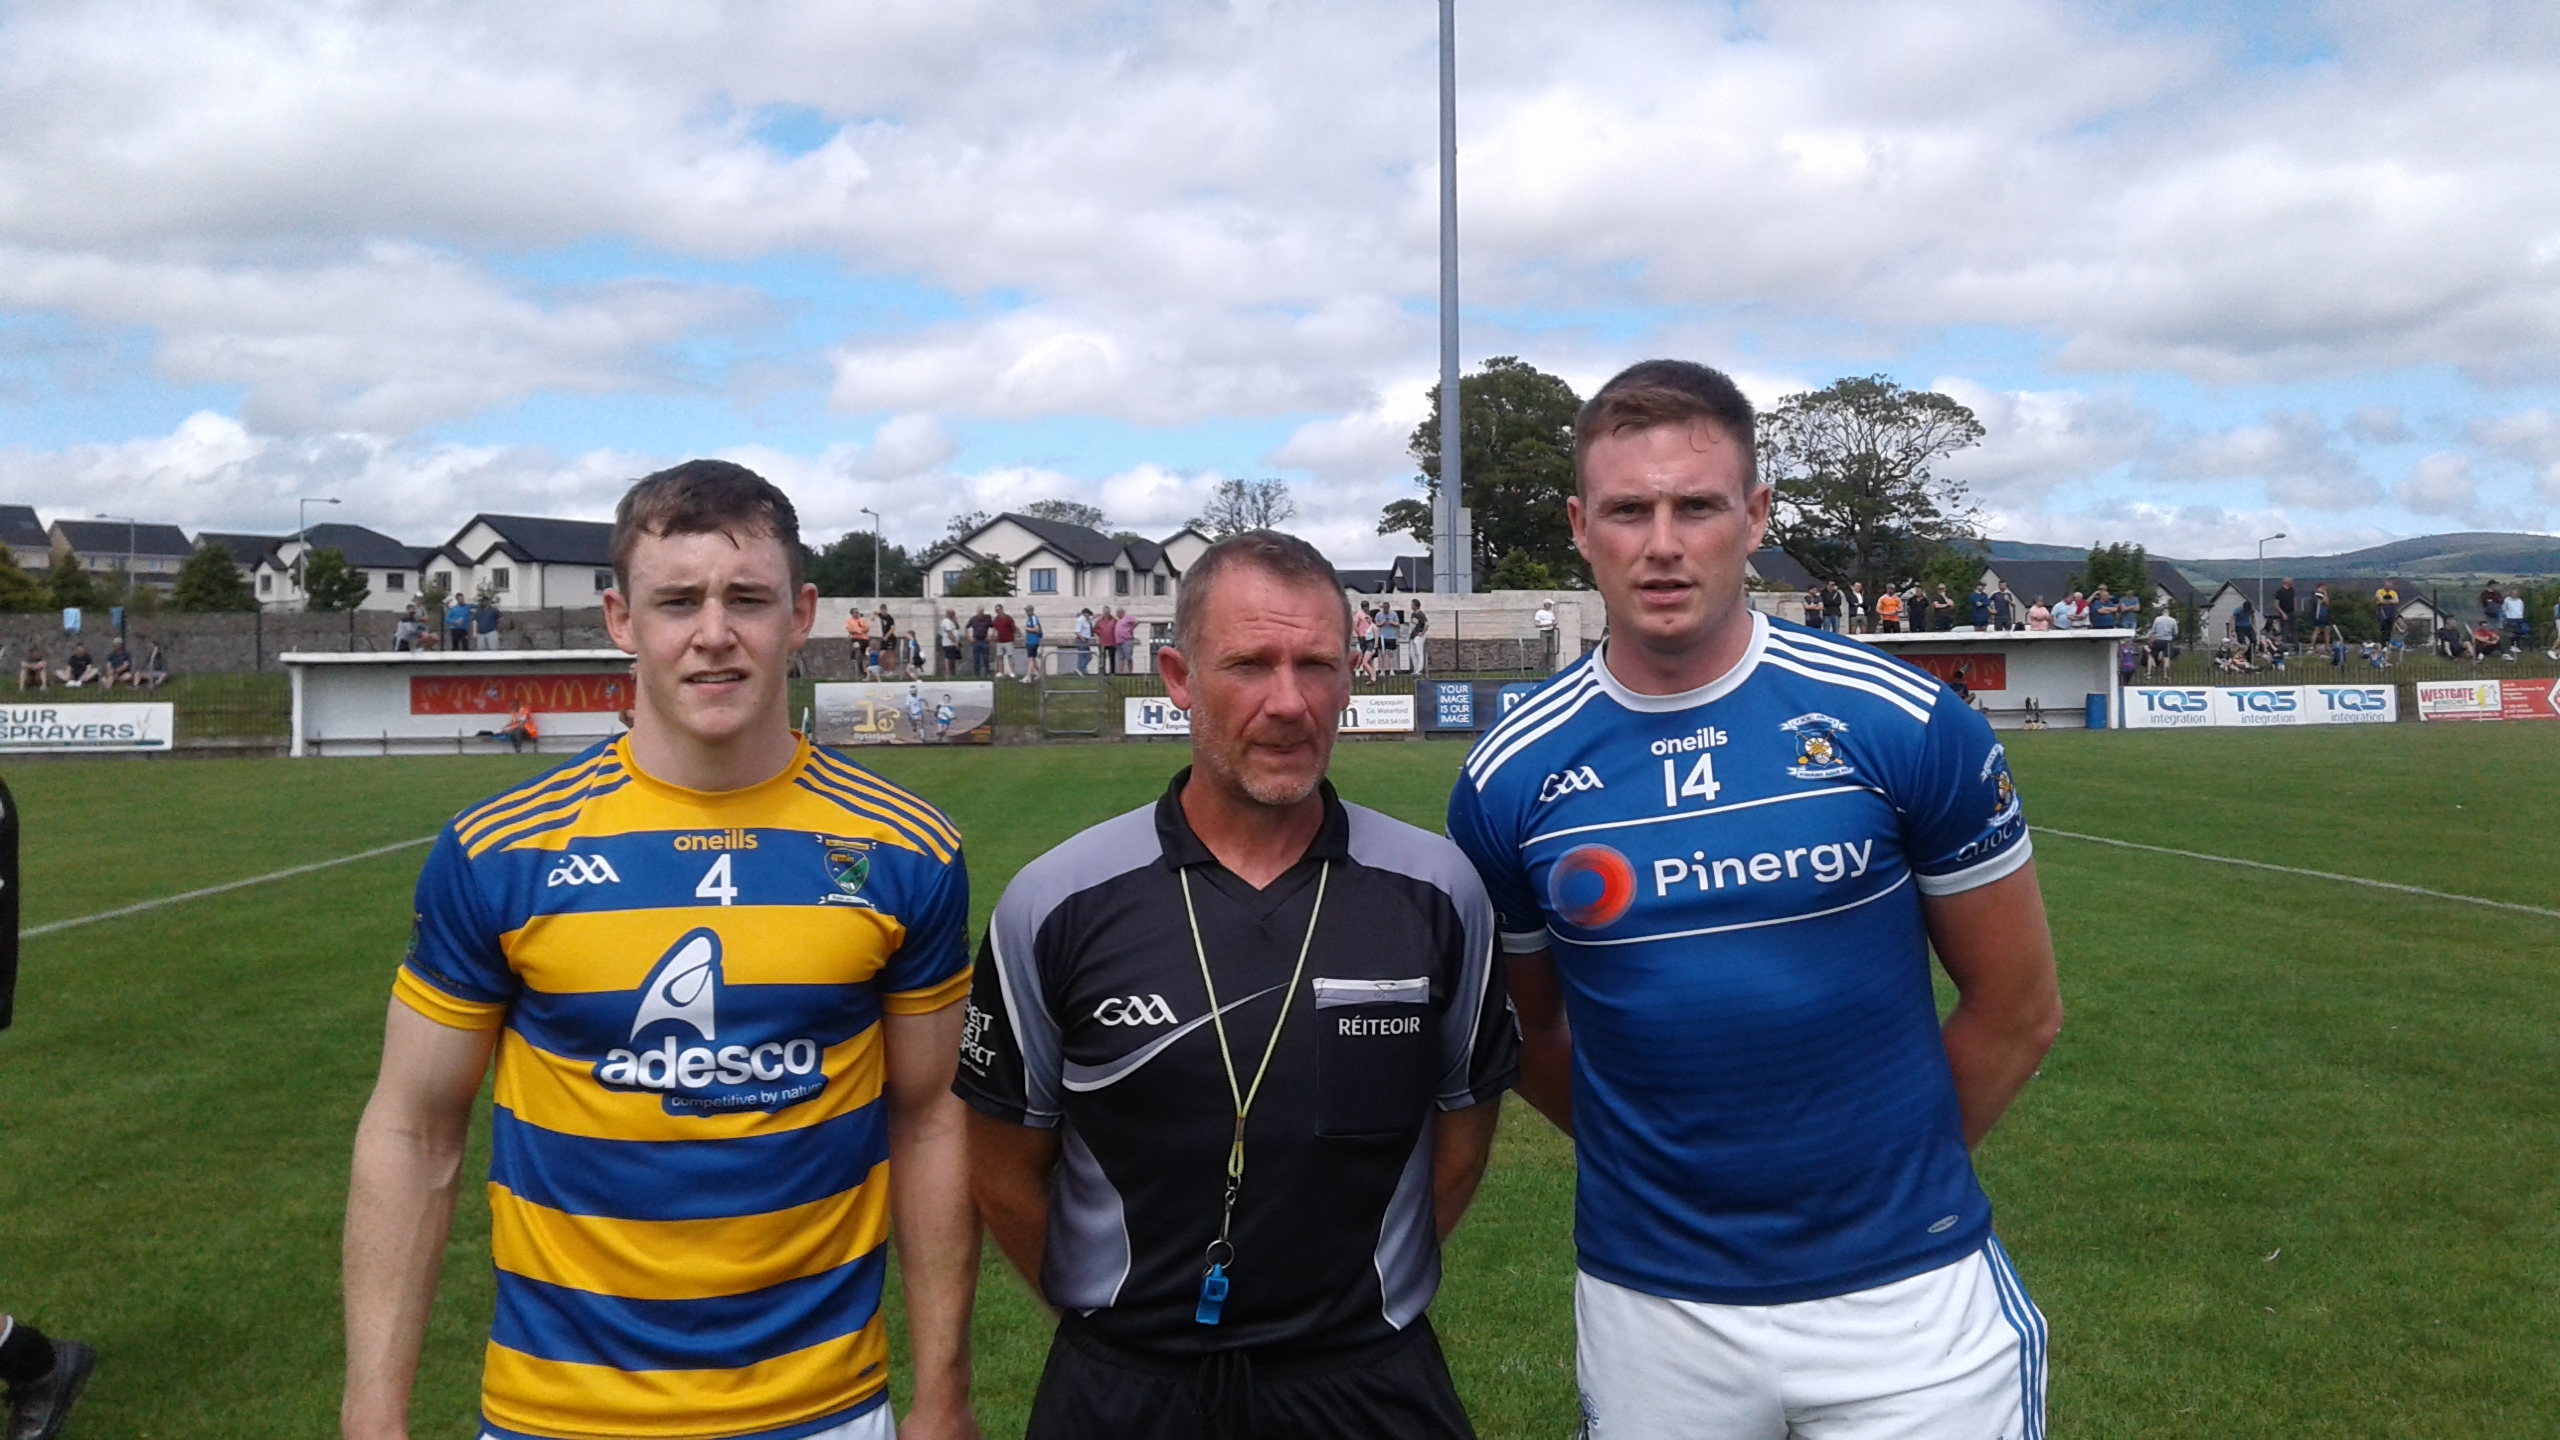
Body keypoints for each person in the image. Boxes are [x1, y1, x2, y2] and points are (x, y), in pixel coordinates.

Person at [1448, 359, 2058, 1438]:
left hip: (1908, 1304)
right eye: (1628, 511)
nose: (1663, 543)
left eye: (1698, 506)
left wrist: (1889, 1184)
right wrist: (1673, 1179)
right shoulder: (1509, 777)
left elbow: (2018, 1008)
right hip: (1654, 1311)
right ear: (1581, 528)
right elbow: (1529, 1034)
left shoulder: (1902, 723)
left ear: (1756, 515)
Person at [341, 460, 981, 1440]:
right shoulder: (502, 851)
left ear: (801, 614)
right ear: (621, 620)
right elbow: (413, 1130)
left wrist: (943, 1396)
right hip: (556, 1416)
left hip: (823, 1412)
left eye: (747, 599)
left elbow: (931, 1119)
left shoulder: (904, 848)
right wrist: (372, 1412)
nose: (713, 633)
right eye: (677, 601)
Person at [959, 529, 1514, 1440]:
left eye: (1317, 665)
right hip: (1126, 1392)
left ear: (1351, 677)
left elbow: (1462, 1135)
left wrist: (1345, 1306)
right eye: (1250, 665)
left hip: (1367, 1384)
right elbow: (1002, 1169)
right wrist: (1126, 1333)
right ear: (1179, 678)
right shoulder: (1054, 901)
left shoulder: (1440, 890)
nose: (1288, 703)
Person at [2146, 608, 2178, 677]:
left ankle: (2149, 672)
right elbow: (2175, 632)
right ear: (2168, 613)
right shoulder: (2173, 620)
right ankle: (2165, 675)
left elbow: (2153, 630)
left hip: (2158, 639)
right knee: (2166, 657)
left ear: (2162, 612)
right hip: (2167, 641)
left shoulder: (2157, 619)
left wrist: (2153, 636)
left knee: (2151, 655)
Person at [992, 605, 1018, 679]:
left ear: (1002, 609)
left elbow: (1013, 628)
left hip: (1008, 640)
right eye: (996, 610)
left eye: (998, 610)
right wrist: (993, 635)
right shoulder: (996, 619)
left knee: (1010, 656)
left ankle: (1012, 672)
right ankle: (1000, 671)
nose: (997, 612)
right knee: (999, 656)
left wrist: (1014, 635)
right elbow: (994, 628)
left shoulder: (1008, 618)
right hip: (999, 640)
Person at [1534, 598, 1559, 668]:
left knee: (1551, 650)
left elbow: (1553, 621)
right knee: (1544, 650)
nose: (1551, 606)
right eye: (1550, 605)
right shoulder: (1539, 613)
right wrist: (1547, 625)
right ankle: (1543, 665)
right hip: (1544, 631)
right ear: (1546, 605)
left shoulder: (1551, 613)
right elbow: (1536, 624)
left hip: (1551, 631)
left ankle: (1551, 665)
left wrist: (1554, 624)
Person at [847, 606, 871, 672]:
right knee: (856, 645)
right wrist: (856, 631)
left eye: (858, 612)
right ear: (852, 614)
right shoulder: (849, 621)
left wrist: (860, 630)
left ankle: (863, 670)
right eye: (856, 612)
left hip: (864, 639)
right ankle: (853, 655)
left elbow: (866, 628)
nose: (857, 614)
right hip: (856, 638)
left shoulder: (862, 620)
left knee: (864, 655)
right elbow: (850, 630)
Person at [939, 607, 962, 677]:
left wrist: (955, 621)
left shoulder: (951, 621)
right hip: (948, 643)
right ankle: (947, 672)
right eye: (953, 614)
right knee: (948, 658)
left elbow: (957, 627)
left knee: (953, 658)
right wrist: (955, 642)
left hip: (952, 643)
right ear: (948, 614)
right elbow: (950, 633)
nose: (954, 615)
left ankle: (952, 672)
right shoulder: (946, 622)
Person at [1408, 602, 1430, 674]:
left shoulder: (1421, 615)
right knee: (1412, 653)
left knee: (1418, 652)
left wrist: (1422, 632)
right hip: (1413, 635)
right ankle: (1415, 668)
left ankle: (1419, 669)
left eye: (1412, 605)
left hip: (1418, 635)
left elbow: (1427, 624)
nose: (1411, 606)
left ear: (1416, 606)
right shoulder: (1413, 614)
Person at [1023, 605, 1043, 678]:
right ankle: (1041, 673)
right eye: (1026, 611)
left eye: (1028, 611)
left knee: (1030, 659)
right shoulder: (1029, 619)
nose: (1027, 612)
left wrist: (1027, 628)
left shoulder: (1034, 618)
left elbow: (1036, 629)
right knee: (1033, 660)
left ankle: (1028, 676)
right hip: (1029, 641)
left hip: (1033, 641)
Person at [1117, 608, 1139, 674]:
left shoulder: (1127, 618)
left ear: (1120, 613)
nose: (1117, 615)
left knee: (1128, 657)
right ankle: (1120, 672)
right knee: (1120, 658)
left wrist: (1131, 629)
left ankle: (1130, 671)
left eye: (1117, 613)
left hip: (1127, 640)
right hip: (1119, 642)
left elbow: (1136, 621)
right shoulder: (1119, 621)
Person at [1074, 607, 1096, 675]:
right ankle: (1080, 669)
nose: (1089, 616)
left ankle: (1080, 670)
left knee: (1084, 656)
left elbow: (1093, 617)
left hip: (1086, 639)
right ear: (1085, 614)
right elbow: (1077, 632)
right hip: (1082, 640)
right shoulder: (1080, 620)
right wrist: (1083, 640)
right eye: (1088, 614)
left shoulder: (1087, 619)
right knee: (1087, 656)